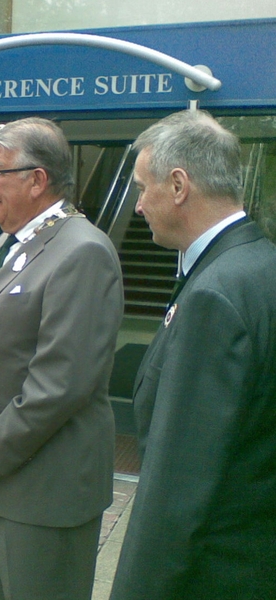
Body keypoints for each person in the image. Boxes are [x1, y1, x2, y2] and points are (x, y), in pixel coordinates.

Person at [0, 118, 124, 600]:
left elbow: (61, 381)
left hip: (44, 488)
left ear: (37, 179)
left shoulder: (83, 252)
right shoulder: (15, 239)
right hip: (0, 480)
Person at [110, 110, 276, 600]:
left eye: (142, 188)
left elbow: (177, 489)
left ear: (179, 185)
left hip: (211, 575)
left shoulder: (215, 295)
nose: (138, 205)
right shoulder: (258, 263)